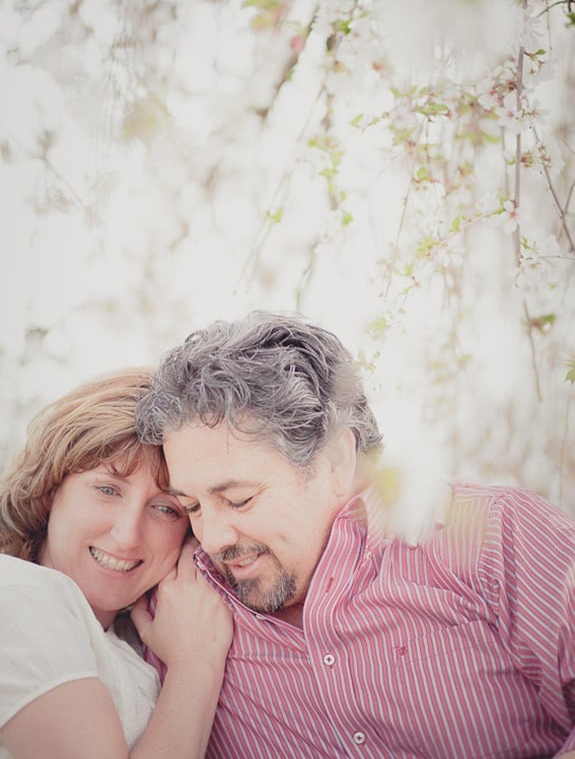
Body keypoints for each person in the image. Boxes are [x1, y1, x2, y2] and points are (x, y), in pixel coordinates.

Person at [136, 311, 575, 759]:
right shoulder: (178, 610)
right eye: (191, 506)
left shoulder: (496, 537)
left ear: (334, 461)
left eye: (239, 499)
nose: (211, 539)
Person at [0, 368, 232, 759]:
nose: (127, 535)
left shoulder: (139, 637)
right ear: (49, 491)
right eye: (107, 490)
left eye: (165, 509)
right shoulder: (18, 595)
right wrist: (196, 665)